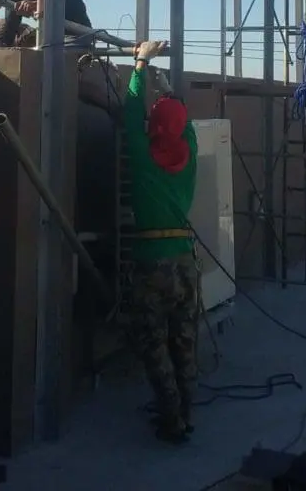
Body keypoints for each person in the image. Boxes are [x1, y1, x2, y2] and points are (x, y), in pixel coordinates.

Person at [123, 38, 199, 444]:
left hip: (152, 261)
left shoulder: (141, 154)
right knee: (185, 340)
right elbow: (181, 122)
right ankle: (188, 412)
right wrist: (166, 84)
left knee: (155, 346)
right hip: (185, 260)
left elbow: (131, 110)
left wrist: (140, 64)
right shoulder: (189, 153)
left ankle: (172, 422)